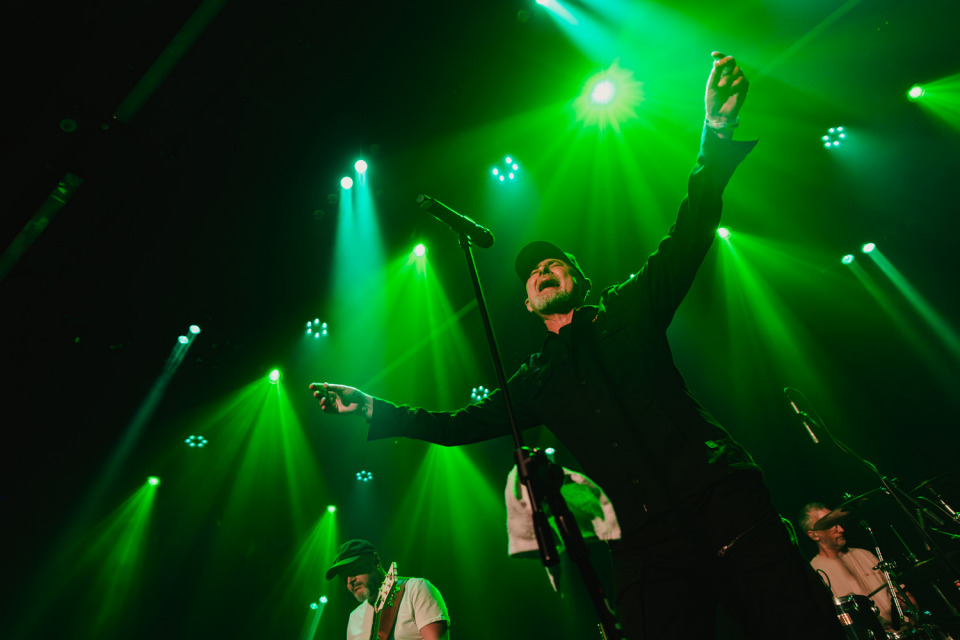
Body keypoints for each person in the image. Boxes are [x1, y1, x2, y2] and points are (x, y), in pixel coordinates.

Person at [311, 52, 843, 640]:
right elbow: (456, 425)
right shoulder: (535, 380)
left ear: (578, 279)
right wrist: (372, 407)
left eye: (552, 263)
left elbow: (690, 229)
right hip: (643, 539)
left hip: (718, 498)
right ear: (527, 304)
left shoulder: (629, 308)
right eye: (531, 274)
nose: (541, 271)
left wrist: (715, 133)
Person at [801, 502, 914, 630]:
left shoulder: (864, 554)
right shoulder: (815, 572)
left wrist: (913, 615)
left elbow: (903, 594)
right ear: (814, 535)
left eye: (838, 523)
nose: (841, 529)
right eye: (831, 525)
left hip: (904, 630)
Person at [326, 539, 450, 640]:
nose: (350, 581)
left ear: (375, 561)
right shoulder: (354, 618)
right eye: (344, 577)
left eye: (354, 570)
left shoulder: (415, 589)